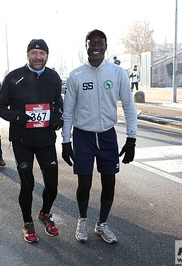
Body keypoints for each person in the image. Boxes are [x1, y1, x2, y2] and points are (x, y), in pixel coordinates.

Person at [61, 29, 137, 244]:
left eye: (100, 43)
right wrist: (66, 142)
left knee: (109, 183)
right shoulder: (76, 75)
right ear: (85, 46)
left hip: (107, 136)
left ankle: (102, 224)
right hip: (83, 136)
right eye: (91, 43)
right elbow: (68, 112)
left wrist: (131, 138)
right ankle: (83, 219)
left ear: (105, 46)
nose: (96, 47)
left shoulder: (117, 73)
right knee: (84, 184)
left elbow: (129, 107)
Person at [0, 39, 64, 243]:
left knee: (52, 186)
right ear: (28, 55)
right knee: (27, 184)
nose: (38, 57)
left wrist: (58, 116)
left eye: (41, 53)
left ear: (47, 56)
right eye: (34, 53)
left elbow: (57, 103)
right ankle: (27, 222)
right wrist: (17, 117)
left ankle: (44, 214)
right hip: (22, 140)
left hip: (46, 140)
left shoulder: (53, 76)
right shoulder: (14, 77)